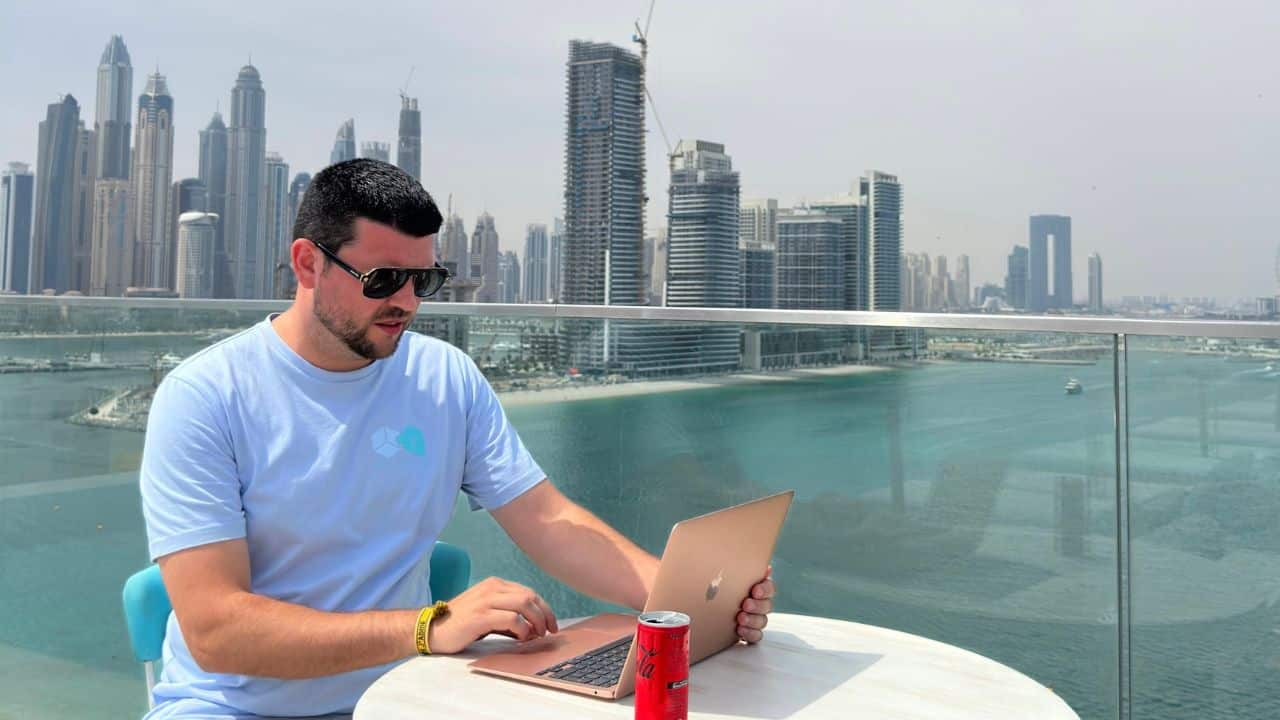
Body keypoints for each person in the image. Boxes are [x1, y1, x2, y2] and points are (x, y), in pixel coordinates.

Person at [139, 159, 776, 719]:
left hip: (401, 697)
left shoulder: (444, 377)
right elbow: (216, 631)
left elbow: (548, 520)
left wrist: (685, 598)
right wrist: (428, 628)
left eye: (424, 280)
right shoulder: (206, 397)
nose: (407, 302)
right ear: (308, 263)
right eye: (383, 279)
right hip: (232, 709)